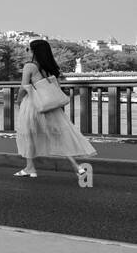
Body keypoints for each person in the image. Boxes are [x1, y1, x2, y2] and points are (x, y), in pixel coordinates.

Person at [14, 39, 96, 179]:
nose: (26, 52)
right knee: (57, 135)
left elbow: (24, 87)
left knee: (28, 135)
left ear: (33, 51)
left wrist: (18, 101)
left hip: (33, 105)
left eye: (28, 49)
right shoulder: (49, 66)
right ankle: (77, 167)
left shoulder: (29, 66)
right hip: (49, 105)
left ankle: (30, 168)